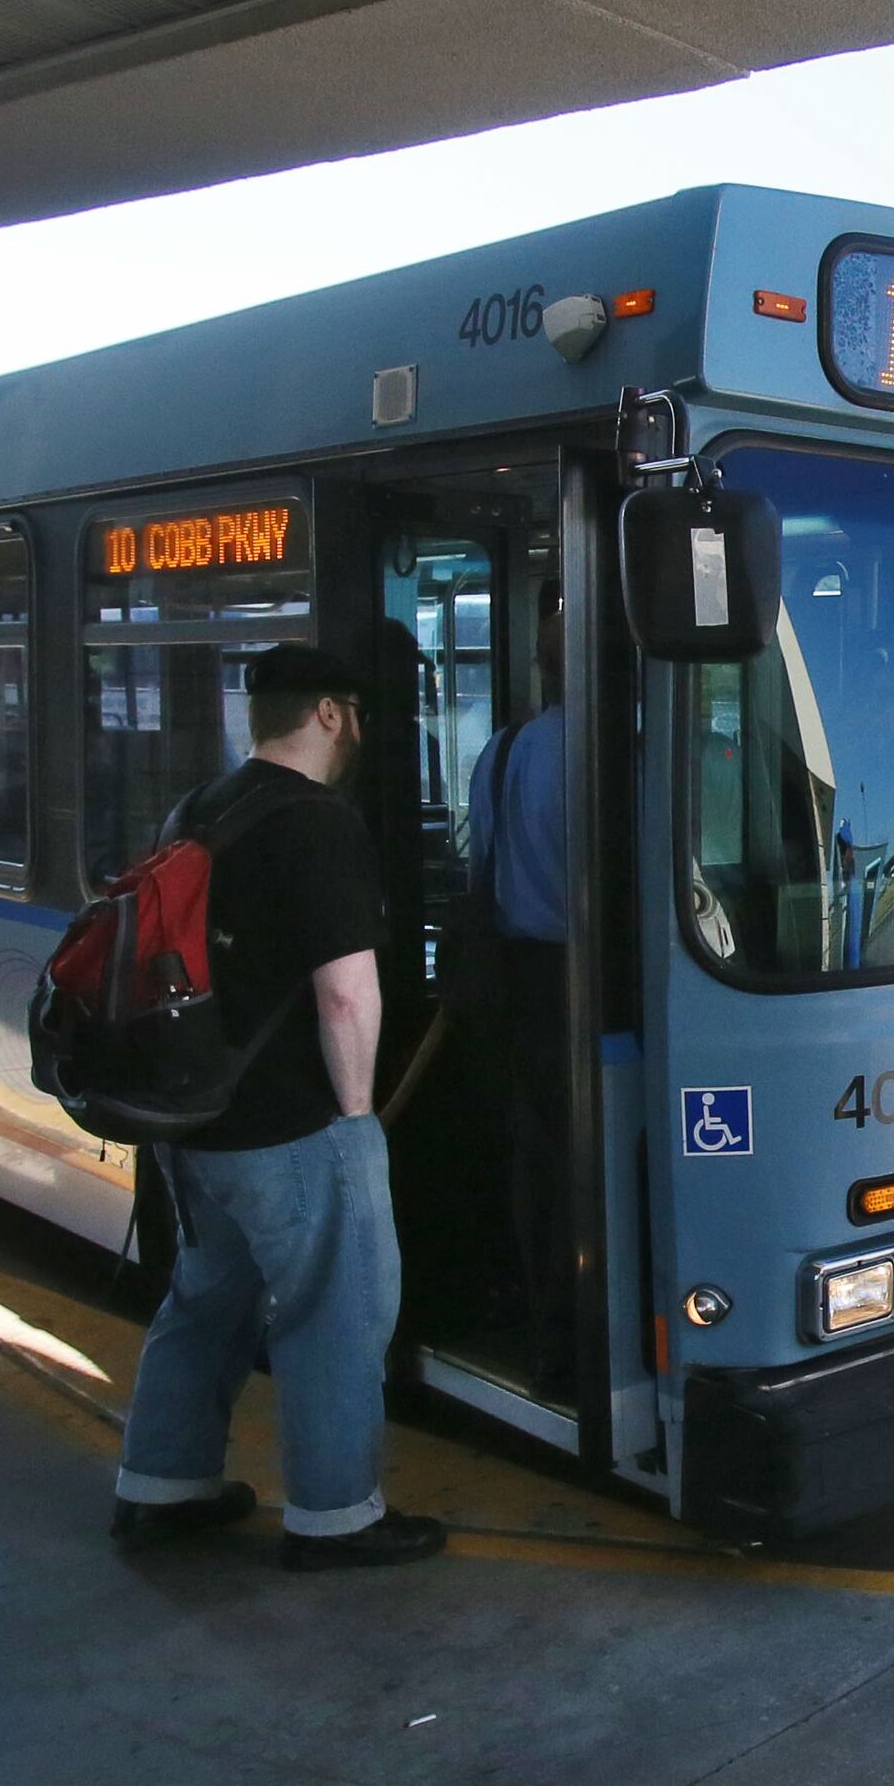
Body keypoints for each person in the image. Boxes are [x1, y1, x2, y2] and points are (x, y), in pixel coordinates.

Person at [110, 641, 446, 1570]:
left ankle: (161, 1485)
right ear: (332, 714)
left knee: (205, 1298)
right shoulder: (319, 822)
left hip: (197, 1121)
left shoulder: (202, 808)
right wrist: (354, 1121)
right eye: (359, 716)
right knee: (337, 1313)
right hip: (292, 1127)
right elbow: (347, 994)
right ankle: (337, 1516)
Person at [463, 599, 577, 1396]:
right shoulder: (626, 751)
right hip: (599, 985)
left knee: (538, 1164)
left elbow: (478, 872)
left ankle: (549, 1331)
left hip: (522, 984)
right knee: (594, 1167)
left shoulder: (499, 754)